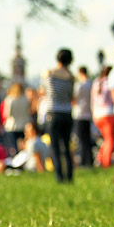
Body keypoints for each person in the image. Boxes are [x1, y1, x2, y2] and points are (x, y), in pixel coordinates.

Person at [41, 48, 75, 183]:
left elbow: (45, 90)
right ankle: (70, 176)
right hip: (67, 112)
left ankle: (59, 176)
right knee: (66, 146)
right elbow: (71, 96)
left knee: (55, 146)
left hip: (53, 112)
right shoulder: (71, 78)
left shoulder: (50, 75)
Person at [92, 66, 114, 168]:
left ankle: (101, 158)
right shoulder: (109, 82)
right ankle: (106, 162)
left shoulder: (96, 82)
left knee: (106, 139)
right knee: (110, 139)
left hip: (97, 115)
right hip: (108, 113)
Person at [2, 82, 31, 154]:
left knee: (14, 147)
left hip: (12, 126)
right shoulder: (26, 99)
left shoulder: (9, 99)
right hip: (24, 125)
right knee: (24, 146)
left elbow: (7, 114)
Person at [73, 66, 94, 167]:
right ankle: (89, 160)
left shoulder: (79, 85)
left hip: (79, 114)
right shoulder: (91, 84)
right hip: (88, 114)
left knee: (81, 140)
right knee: (87, 139)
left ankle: (82, 161)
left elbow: (74, 99)